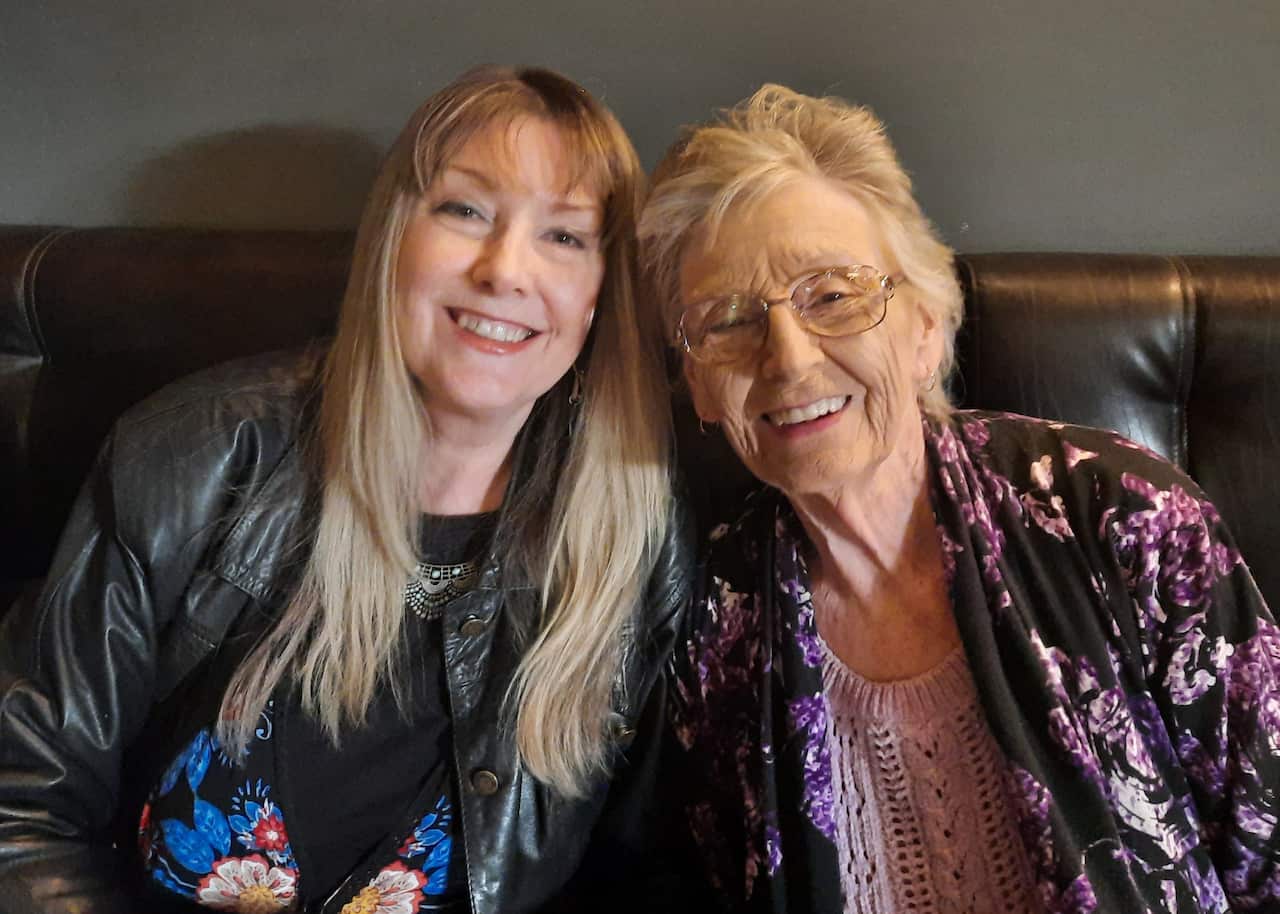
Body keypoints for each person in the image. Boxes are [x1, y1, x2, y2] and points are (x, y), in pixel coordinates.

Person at [0, 66, 690, 914]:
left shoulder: (641, 536)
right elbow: (20, 809)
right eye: (465, 210)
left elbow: (650, 875)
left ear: (597, 298)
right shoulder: (191, 454)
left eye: (565, 237)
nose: (506, 270)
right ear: (393, 239)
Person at [638, 84, 1279, 913]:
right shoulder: (704, 625)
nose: (789, 360)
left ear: (926, 326)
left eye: (832, 296)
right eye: (727, 321)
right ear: (697, 383)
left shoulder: (1123, 517)